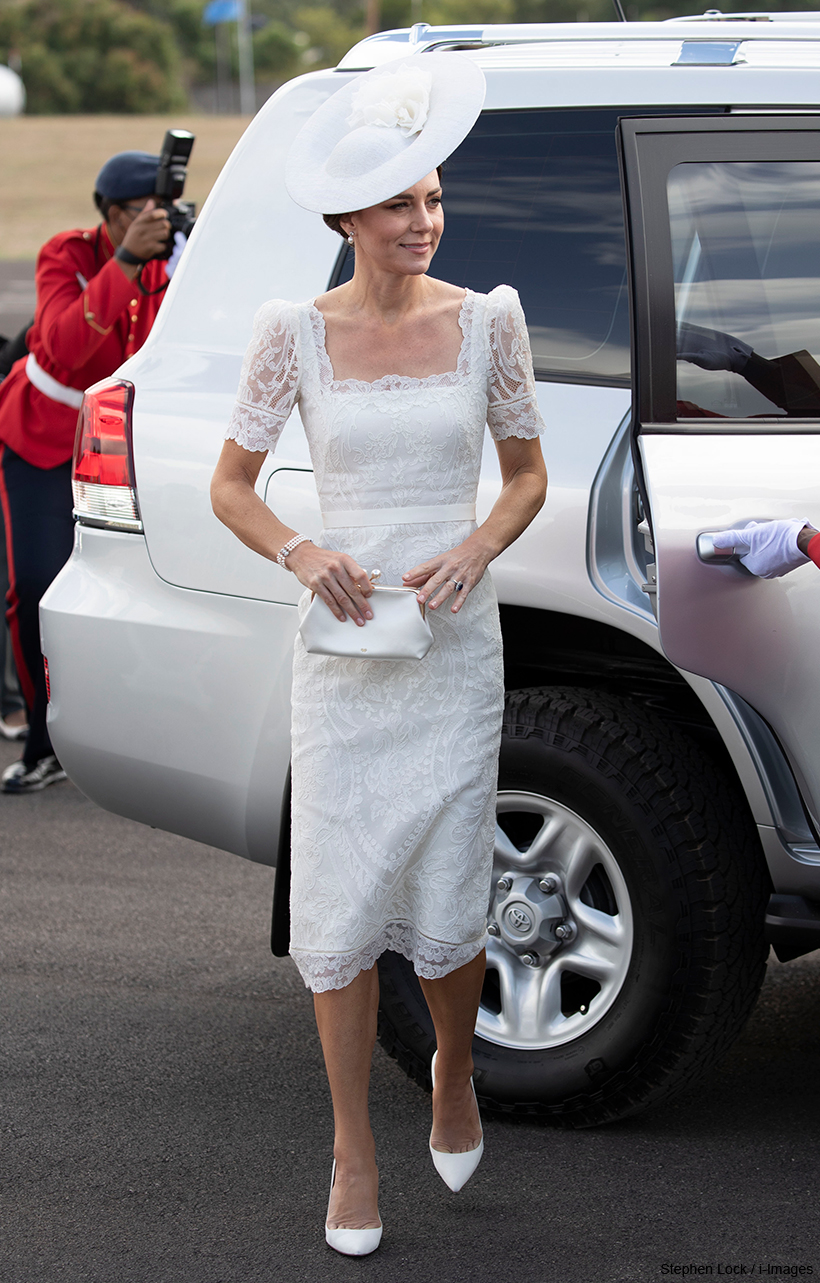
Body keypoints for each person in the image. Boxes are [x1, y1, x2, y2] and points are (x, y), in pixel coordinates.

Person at [210, 54, 547, 1257]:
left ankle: (455, 1064)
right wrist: (305, 553)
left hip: (454, 649)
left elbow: (525, 477)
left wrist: (474, 546)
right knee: (342, 902)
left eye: (435, 198)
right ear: (348, 215)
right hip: (344, 655)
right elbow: (231, 488)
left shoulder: (487, 321)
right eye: (402, 201)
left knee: (451, 894)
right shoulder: (290, 334)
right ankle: (354, 1149)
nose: (424, 220)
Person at [0, 150, 181, 794]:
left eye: (160, 213)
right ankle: (42, 742)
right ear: (111, 214)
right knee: (35, 588)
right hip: (43, 437)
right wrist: (126, 262)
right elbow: (63, 347)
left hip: (121, 444)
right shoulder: (67, 254)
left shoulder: (171, 257)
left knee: (143, 586)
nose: (154, 223)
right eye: (141, 214)